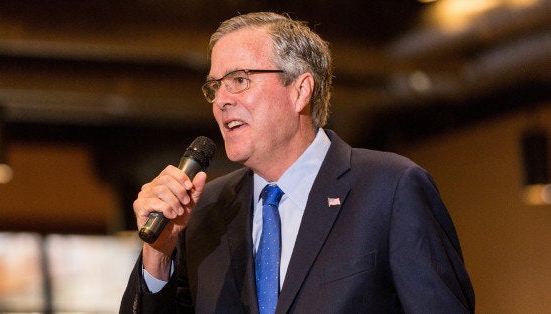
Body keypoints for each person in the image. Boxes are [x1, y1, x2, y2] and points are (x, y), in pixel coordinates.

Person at [120, 11, 475, 313]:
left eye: (239, 80)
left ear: (301, 90)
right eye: (215, 86)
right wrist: (158, 254)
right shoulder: (203, 211)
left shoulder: (390, 188)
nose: (221, 101)